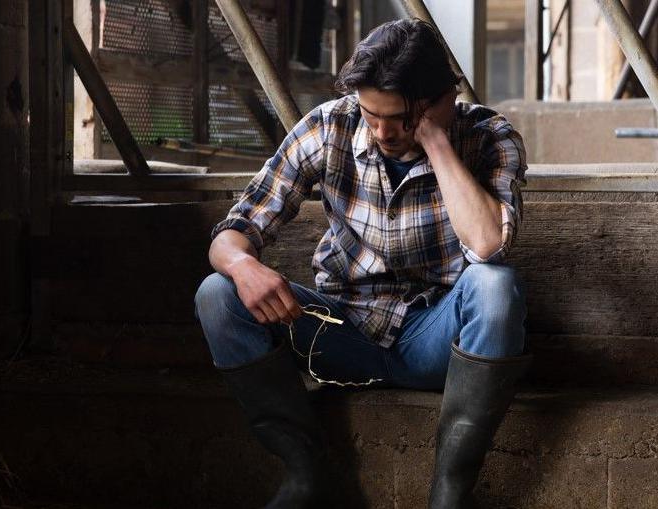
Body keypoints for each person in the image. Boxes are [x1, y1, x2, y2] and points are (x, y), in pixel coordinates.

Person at [194, 18, 531, 509]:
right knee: (217, 294)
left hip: (436, 344)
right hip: (339, 331)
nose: (380, 132)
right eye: (370, 114)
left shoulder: (488, 136)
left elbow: (487, 246)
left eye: (396, 118)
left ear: (440, 101)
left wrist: (437, 142)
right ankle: (305, 476)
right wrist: (245, 267)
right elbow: (232, 232)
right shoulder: (329, 126)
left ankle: (449, 495)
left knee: (497, 288)